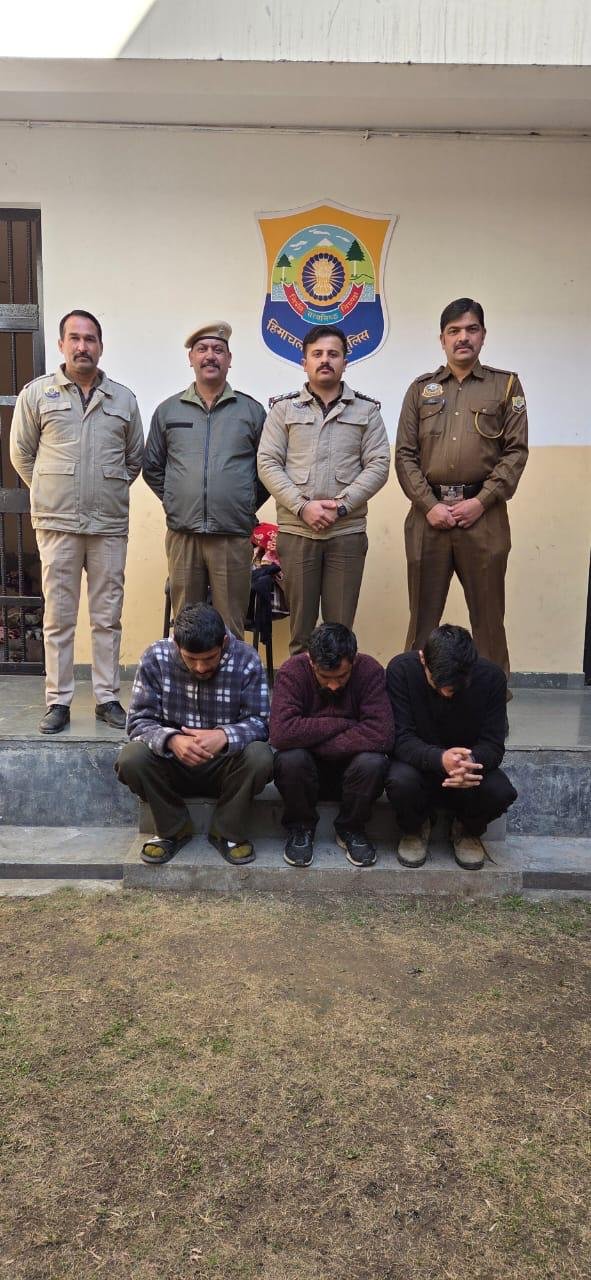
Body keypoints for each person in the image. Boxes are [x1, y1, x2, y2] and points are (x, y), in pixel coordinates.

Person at [9, 309, 144, 734]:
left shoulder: (123, 399)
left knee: (107, 616)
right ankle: (58, 701)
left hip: (108, 526)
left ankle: (107, 698)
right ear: (62, 344)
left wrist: (102, 490)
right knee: (59, 618)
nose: (82, 346)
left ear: (100, 346)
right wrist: (54, 490)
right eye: (75, 338)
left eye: (90, 339)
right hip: (58, 523)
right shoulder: (38, 394)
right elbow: (22, 454)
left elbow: (134, 459)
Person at [395, 298, 528, 682]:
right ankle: (416, 698)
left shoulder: (506, 386)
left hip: (483, 518)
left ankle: (493, 701)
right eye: (454, 331)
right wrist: (429, 505)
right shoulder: (420, 390)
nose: (463, 337)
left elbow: (516, 452)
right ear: (442, 339)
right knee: (422, 619)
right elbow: (404, 455)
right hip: (428, 518)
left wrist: (481, 502)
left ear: (483, 335)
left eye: (471, 329)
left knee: (488, 620)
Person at [257, 325, 390, 654]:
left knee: (340, 631)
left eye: (333, 354)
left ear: (346, 361)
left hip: (346, 533)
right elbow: (268, 463)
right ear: (304, 362)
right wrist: (303, 507)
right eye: (317, 354)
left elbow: (378, 465)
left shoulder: (366, 411)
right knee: (301, 632)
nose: (325, 360)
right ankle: (299, 687)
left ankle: (338, 688)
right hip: (297, 533)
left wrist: (341, 506)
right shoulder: (283, 409)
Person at [116, 603, 273, 866]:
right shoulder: (155, 657)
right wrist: (172, 740)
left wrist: (224, 736)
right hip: (173, 764)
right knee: (132, 757)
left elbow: (261, 723)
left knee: (260, 756)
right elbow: (138, 721)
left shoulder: (246, 659)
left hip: (225, 766)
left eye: (209, 658)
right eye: (191, 659)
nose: (200, 667)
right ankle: (172, 830)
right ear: (177, 645)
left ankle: (227, 832)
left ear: (224, 643)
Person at [142, 322, 268, 639]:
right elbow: (152, 467)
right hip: (183, 535)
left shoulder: (251, 412)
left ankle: (231, 675)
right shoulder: (168, 411)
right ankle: (186, 675)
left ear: (229, 359)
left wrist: (243, 504)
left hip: (232, 536)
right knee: (187, 625)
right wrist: (177, 501)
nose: (210, 356)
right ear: (191, 358)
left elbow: (267, 470)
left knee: (231, 627)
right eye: (202, 349)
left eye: (218, 350)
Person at [385, 625, 517, 870]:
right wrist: (440, 759)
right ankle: (415, 828)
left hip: (467, 770)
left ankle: (466, 830)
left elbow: (493, 744)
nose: (446, 693)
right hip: (419, 766)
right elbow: (400, 739)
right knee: (399, 781)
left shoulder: (491, 678)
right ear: (423, 659)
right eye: (437, 683)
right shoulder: (401, 670)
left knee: (501, 792)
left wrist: (470, 761)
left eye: (455, 686)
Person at [270, 622, 394, 867]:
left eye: (342, 676)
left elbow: (383, 734)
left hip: (354, 774)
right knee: (290, 758)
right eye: (325, 677)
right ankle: (300, 828)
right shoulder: (292, 672)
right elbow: (281, 733)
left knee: (374, 762)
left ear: (354, 661)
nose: (334, 685)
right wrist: (343, 723)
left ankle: (352, 828)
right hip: (305, 773)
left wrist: (311, 737)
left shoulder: (370, 671)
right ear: (311, 661)